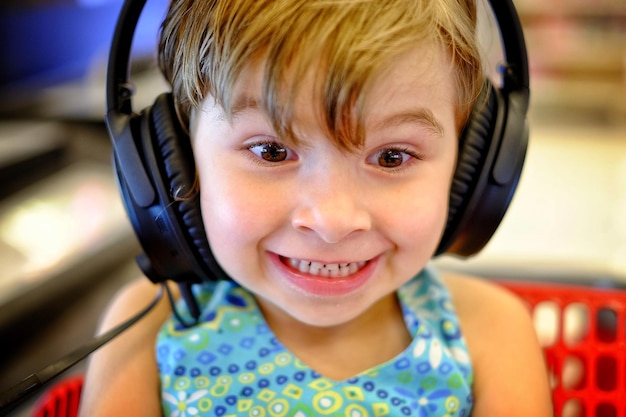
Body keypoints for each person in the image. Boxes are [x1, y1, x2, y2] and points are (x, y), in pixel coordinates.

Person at [79, 0, 553, 415]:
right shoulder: (152, 326)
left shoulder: (489, 332)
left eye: (392, 157)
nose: (332, 221)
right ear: (178, 157)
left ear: (472, 163)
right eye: (271, 151)